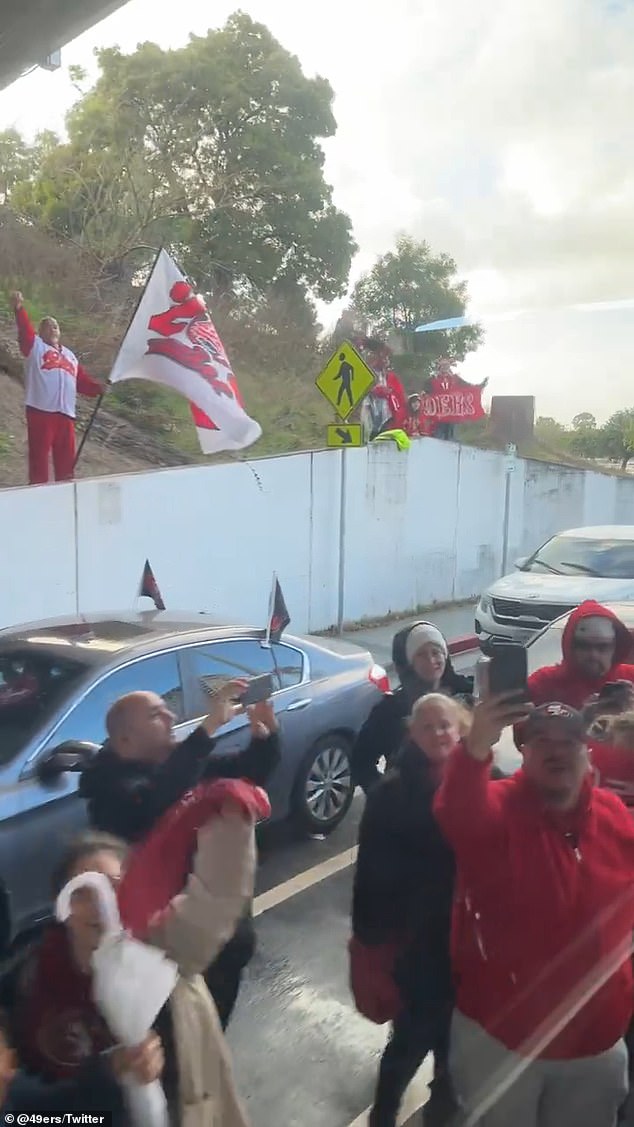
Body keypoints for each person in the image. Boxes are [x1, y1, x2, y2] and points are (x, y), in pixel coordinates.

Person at [434, 696, 634, 1127]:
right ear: (523, 752)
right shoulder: (496, 810)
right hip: (504, 1045)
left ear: (588, 751)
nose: (555, 750)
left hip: (596, 1046)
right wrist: (475, 747)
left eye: (568, 740)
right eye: (541, 740)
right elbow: (456, 811)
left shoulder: (615, 816)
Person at [12, 817, 255, 1127]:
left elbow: (221, 915)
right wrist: (106, 1074)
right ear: (60, 905)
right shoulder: (33, 979)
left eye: (116, 887)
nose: (102, 904)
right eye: (83, 892)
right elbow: (28, 1104)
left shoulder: (168, 969)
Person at [79, 681, 280, 1029]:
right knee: (178, 1041)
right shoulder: (111, 791)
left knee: (212, 1028)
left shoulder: (180, 761)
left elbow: (249, 771)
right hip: (168, 945)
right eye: (157, 714)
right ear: (125, 740)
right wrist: (207, 729)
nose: (172, 716)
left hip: (222, 936)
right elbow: (156, 801)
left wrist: (265, 734)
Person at [350, 694, 469, 1127]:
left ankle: (443, 1104)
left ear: (461, 730)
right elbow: (370, 878)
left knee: (455, 1040)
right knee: (411, 1038)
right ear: (412, 735)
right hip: (417, 943)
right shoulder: (391, 794)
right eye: (428, 726)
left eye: (446, 725)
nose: (438, 733)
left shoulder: (485, 779)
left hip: (470, 941)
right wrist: (370, 943)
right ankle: (383, 1115)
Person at [351, 622, 473, 794]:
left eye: (436, 652)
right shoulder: (390, 709)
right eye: (422, 655)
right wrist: (381, 794)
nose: (431, 660)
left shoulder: (465, 694)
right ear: (409, 663)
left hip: (461, 802)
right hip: (409, 808)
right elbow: (360, 759)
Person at [10, 291, 103, 486]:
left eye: (55, 325)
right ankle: (37, 492)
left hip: (66, 415)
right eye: (47, 325)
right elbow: (25, 331)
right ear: (40, 331)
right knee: (39, 459)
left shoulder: (70, 356)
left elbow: (82, 381)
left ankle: (65, 493)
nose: (52, 328)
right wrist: (19, 309)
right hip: (41, 410)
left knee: (66, 461)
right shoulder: (35, 347)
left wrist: (99, 388)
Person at [528, 600, 634, 710]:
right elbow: (519, 723)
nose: (593, 655)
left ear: (615, 648)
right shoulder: (544, 683)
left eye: (603, 647)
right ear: (570, 646)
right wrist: (581, 718)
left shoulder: (630, 677)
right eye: (584, 646)